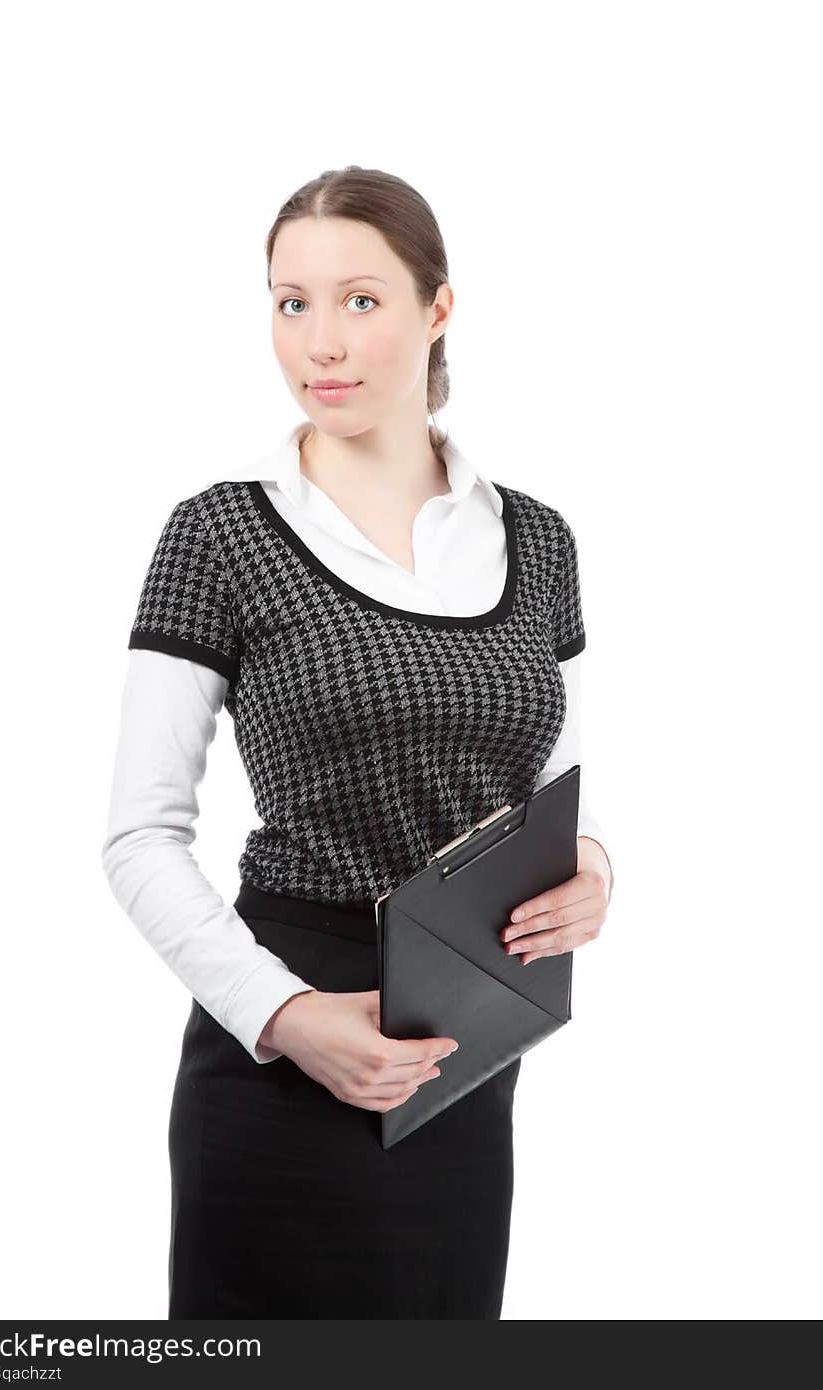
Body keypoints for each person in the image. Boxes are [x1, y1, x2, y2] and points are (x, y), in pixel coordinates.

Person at [101, 165, 613, 1319]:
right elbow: (140, 834)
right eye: (291, 303)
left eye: (361, 301)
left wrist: (593, 875)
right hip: (279, 1058)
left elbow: (553, 796)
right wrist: (286, 1018)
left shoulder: (536, 541)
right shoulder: (221, 534)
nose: (320, 342)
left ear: (438, 310)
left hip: (464, 1057)